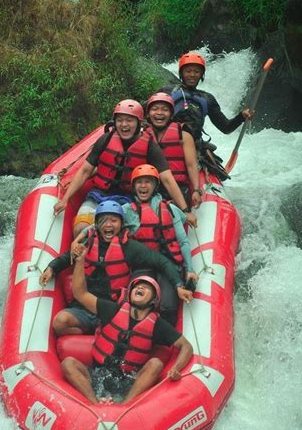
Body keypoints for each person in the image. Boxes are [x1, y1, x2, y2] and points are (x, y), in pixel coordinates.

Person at [39, 200, 193, 336]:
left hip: (112, 310)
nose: (108, 225)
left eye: (114, 220)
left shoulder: (130, 247)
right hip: (83, 306)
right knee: (59, 323)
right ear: (97, 225)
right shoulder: (88, 242)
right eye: (103, 221)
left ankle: (102, 330)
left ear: (121, 224)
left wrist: (178, 285)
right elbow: (67, 257)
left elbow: (161, 262)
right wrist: (51, 268)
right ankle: (90, 330)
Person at [61, 247, 194, 404]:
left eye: (145, 288)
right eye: (136, 286)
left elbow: (186, 346)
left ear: (154, 300)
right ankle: (95, 405)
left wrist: (176, 367)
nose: (139, 288)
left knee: (156, 364)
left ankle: (125, 406)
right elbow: (80, 294)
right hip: (98, 375)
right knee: (68, 363)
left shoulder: (158, 325)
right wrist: (80, 261)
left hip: (128, 382)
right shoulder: (112, 310)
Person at [53, 99, 196, 236]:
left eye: (129, 120)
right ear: (114, 122)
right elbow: (85, 171)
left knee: (119, 235)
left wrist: (185, 210)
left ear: (139, 123)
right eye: (120, 120)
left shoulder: (149, 146)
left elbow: (167, 178)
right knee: (81, 229)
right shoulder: (105, 139)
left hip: (129, 200)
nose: (124, 125)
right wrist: (65, 199)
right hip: (98, 195)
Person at [122, 164, 198, 324]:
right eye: (139, 182)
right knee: (137, 302)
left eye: (148, 181)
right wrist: (82, 235)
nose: (143, 186)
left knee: (168, 307)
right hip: (143, 266)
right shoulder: (127, 211)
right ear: (134, 187)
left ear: (155, 185)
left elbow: (183, 242)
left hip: (169, 265)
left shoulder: (170, 209)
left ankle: (164, 341)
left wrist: (190, 269)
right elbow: (104, 223)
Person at [161, 52, 253, 178]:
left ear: (201, 75)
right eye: (188, 71)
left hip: (194, 147)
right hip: (166, 144)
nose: (192, 75)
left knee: (218, 172)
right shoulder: (167, 92)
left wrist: (241, 117)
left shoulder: (207, 99)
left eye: (196, 72)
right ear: (181, 73)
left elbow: (226, 128)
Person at [145, 91, 202, 207]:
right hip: (149, 188)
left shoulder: (184, 135)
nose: (159, 113)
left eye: (165, 110)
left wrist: (196, 190)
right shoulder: (143, 135)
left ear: (171, 115)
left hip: (178, 187)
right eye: (155, 109)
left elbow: (191, 165)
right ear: (148, 114)